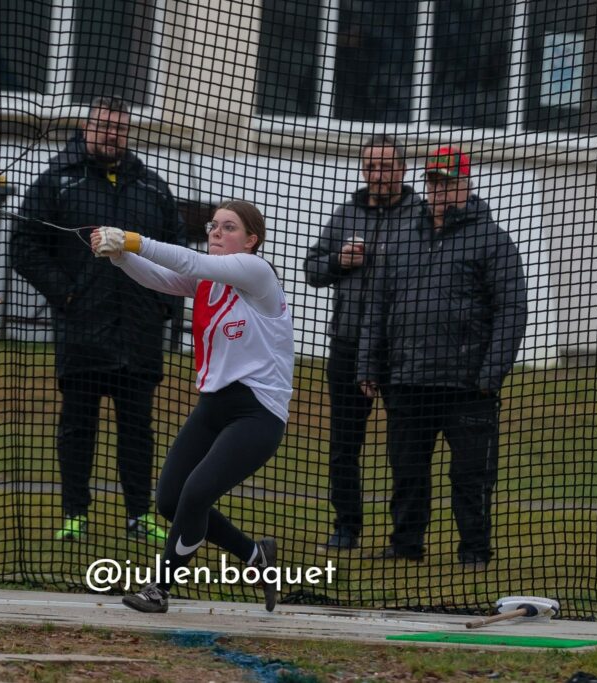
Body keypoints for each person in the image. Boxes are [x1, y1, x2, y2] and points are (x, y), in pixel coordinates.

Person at [89, 200, 294, 614]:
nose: (216, 232)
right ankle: (257, 555)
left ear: (252, 240)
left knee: (197, 493)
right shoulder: (206, 280)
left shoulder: (257, 272)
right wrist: (119, 256)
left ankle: (159, 590)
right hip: (214, 406)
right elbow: (161, 276)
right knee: (169, 501)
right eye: (213, 226)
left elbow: (187, 260)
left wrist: (131, 240)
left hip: (257, 412)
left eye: (229, 227)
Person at [11, 96, 183, 543]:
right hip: (82, 331)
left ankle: (139, 514)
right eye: (105, 126)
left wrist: (164, 307)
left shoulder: (153, 188)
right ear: (86, 128)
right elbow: (24, 246)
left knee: (137, 429)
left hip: (139, 332)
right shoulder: (58, 182)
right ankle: (74, 514)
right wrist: (67, 292)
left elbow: (180, 253)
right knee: (77, 426)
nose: (113, 134)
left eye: (121, 128)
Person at [357, 145, 527, 569]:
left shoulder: (493, 240)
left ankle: (474, 549)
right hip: (407, 377)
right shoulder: (401, 238)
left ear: (466, 184)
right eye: (433, 181)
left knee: (471, 474)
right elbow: (377, 305)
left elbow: (511, 310)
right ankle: (406, 543)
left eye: (448, 182)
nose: (439, 190)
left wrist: (491, 373)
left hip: (467, 383)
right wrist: (368, 364)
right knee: (407, 469)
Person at [303, 134, 424, 551]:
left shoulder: (420, 215)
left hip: (402, 346)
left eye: (386, 165)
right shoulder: (346, 214)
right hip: (349, 342)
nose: (378, 174)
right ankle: (346, 527)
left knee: (406, 446)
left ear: (403, 169)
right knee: (344, 443)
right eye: (370, 166)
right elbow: (313, 269)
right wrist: (340, 261)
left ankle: (405, 537)